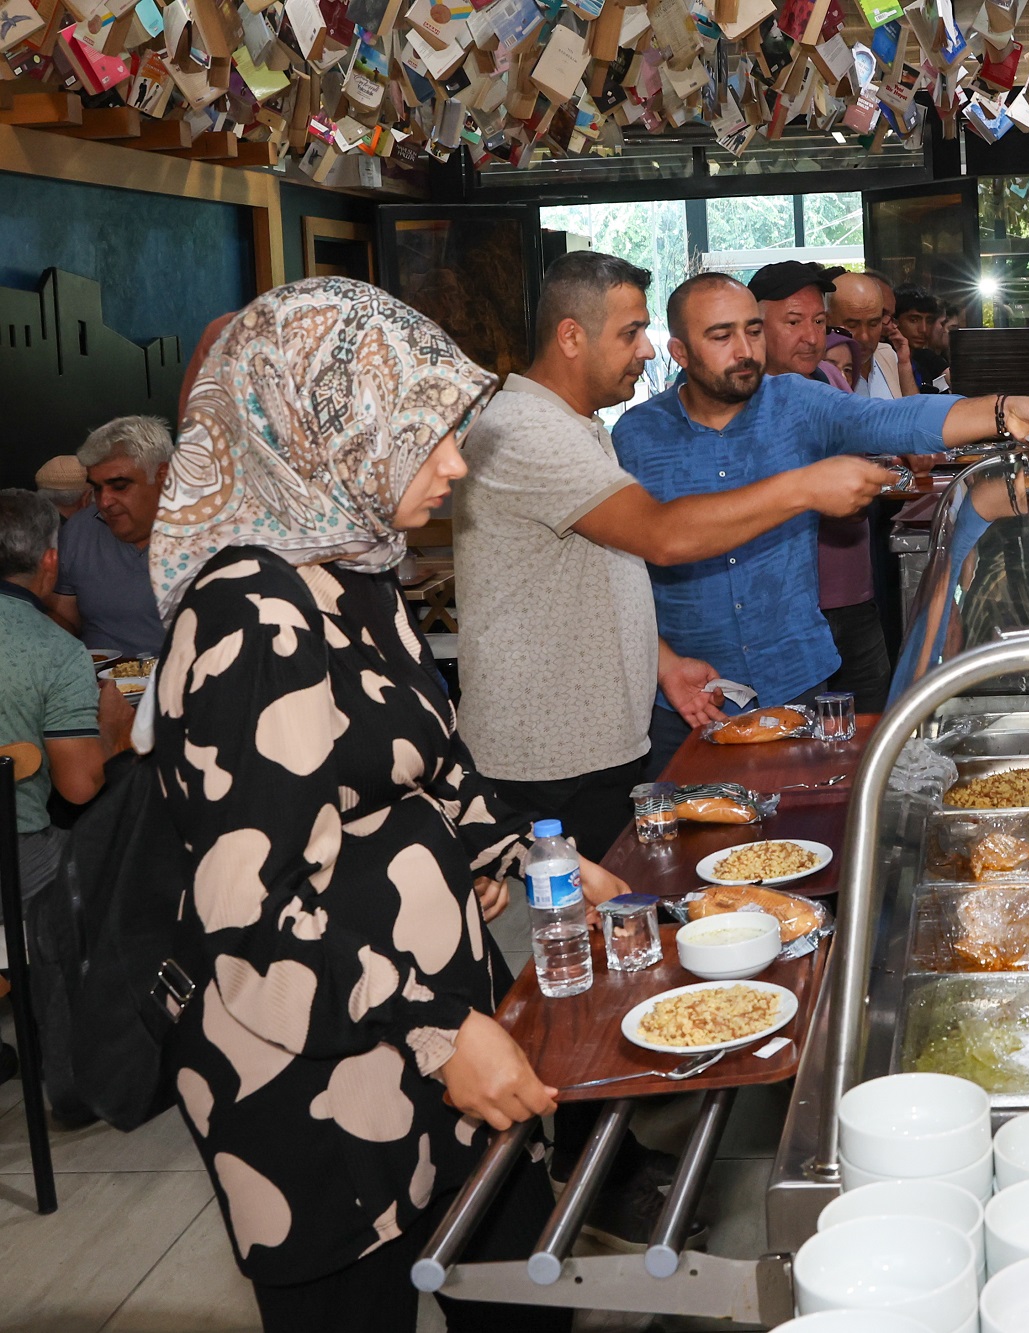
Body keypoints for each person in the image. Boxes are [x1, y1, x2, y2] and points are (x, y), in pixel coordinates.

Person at [151, 278, 631, 1332]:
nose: (455, 464)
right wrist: (434, 1027)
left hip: (436, 1026)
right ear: (326, 427)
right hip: (318, 1079)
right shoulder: (246, 615)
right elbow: (247, 913)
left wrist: (529, 853)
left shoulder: (356, 572)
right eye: (425, 438)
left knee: (516, 1289)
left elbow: (437, 768)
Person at [612, 272, 1029, 769]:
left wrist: (1000, 412)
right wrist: (662, 664)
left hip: (795, 680)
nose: (745, 350)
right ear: (679, 351)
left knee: (803, 835)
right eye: (721, 336)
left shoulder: (794, 401)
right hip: (688, 698)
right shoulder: (637, 436)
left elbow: (892, 420)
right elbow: (617, 573)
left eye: (753, 331)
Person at [755, 261, 896, 715]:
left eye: (819, 321)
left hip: (854, 593)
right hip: (789, 609)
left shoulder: (830, 378)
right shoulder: (739, 399)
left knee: (874, 728)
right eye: (793, 322)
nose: (812, 336)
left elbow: (880, 427)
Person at [0, 490, 132, 903]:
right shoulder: (56, 651)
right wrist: (111, 731)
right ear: (50, 562)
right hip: (15, 858)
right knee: (123, 870)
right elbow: (79, 786)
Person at [50, 415, 177, 656]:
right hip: (96, 686)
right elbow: (65, 620)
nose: (105, 501)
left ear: (164, 476)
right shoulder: (79, 531)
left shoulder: (208, 537)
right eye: (97, 488)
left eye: (119, 486)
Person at [829, 270, 906, 399]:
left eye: (873, 324)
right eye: (853, 325)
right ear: (827, 320)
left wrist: (905, 366)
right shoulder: (817, 370)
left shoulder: (887, 355)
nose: (864, 336)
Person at [895, 285, 948, 392]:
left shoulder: (924, 361)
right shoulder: (885, 360)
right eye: (914, 320)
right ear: (895, 321)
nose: (923, 329)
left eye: (929, 321)